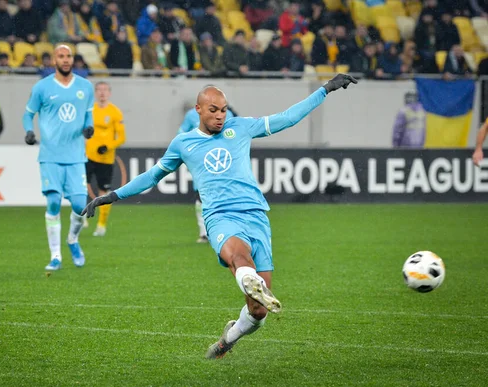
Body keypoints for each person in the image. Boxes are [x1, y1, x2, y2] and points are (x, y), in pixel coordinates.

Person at [82, 74, 357, 358]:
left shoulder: (241, 127)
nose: (220, 116)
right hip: (220, 216)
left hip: (256, 215)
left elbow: (286, 118)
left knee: (258, 311)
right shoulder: (183, 143)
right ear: (198, 110)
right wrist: (112, 195)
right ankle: (248, 278)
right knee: (239, 258)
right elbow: (152, 176)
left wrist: (324, 90)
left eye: (224, 110)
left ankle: (230, 337)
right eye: (213, 110)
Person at [22, 44, 95, 271]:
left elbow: (88, 115)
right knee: (53, 201)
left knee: (80, 205)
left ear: (73, 59)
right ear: (54, 60)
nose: (65, 60)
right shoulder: (42, 87)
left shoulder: (85, 86)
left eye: (68, 56)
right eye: (61, 56)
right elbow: (28, 114)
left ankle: (72, 239)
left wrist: (89, 128)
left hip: (75, 156)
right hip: (50, 155)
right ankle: (55, 256)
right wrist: (29, 131)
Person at [178, 99, 235, 243]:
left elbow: (234, 134)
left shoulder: (228, 114)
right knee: (201, 196)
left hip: (221, 161)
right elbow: (181, 134)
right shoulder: (192, 115)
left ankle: (224, 230)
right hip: (201, 162)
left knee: (224, 196)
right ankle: (204, 232)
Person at [84, 82, 126, 235]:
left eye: (105, 90)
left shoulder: (115, 112)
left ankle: (101, 225)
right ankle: (81, 216)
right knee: (81, 186)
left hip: (106, 158)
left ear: (109, 93)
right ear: (95, 93)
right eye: (99, 90)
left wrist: (108, 146)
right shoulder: (90, 110)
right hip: (88, 156)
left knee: (104, 191)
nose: (102, 93)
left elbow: (122, 137)